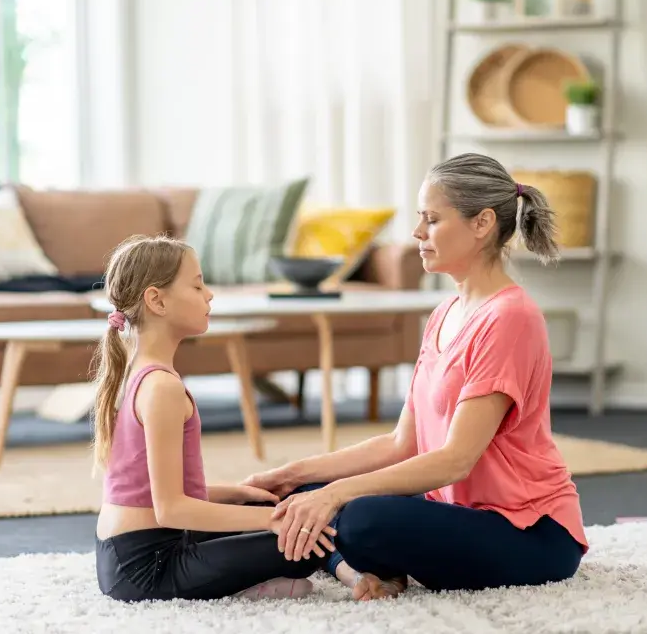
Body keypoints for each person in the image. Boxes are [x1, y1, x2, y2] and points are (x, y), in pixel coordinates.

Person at [243, 152, 589, 601]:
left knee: (358, 517)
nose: (417, 232)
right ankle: (358, 569)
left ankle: (354, 563)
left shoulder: (510, 318)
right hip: (454, 511)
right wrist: (293, 474)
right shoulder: (445, 313)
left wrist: (336, 496)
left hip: (527, 532)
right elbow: (400, 444)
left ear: (482, 223)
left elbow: (454, 460)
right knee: (306, 494)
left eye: (431, 219)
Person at [92, 234, 337, 602]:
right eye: (197, 285)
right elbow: (171, 508)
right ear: (156, 300)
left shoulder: (137, 373)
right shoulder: (161, 388)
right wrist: (273, 522)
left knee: (270, 509)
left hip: (129, 552)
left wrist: (238, 494)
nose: (209, 295)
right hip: (147, 568)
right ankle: (262, 584)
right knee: (303, 540)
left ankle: (259, 566)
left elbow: (148, 490)